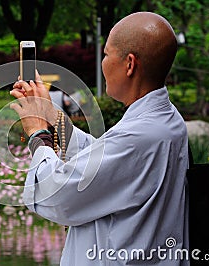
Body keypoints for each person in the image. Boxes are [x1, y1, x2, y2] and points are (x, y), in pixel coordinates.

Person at [10, 12, 188, 265]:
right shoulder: (165, 121)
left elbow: (58, 196)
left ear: (129, 64)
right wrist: (51, 114)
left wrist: (38, 134)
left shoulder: (140, 135)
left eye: (105, 54)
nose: (102, 62)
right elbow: (104, 160)